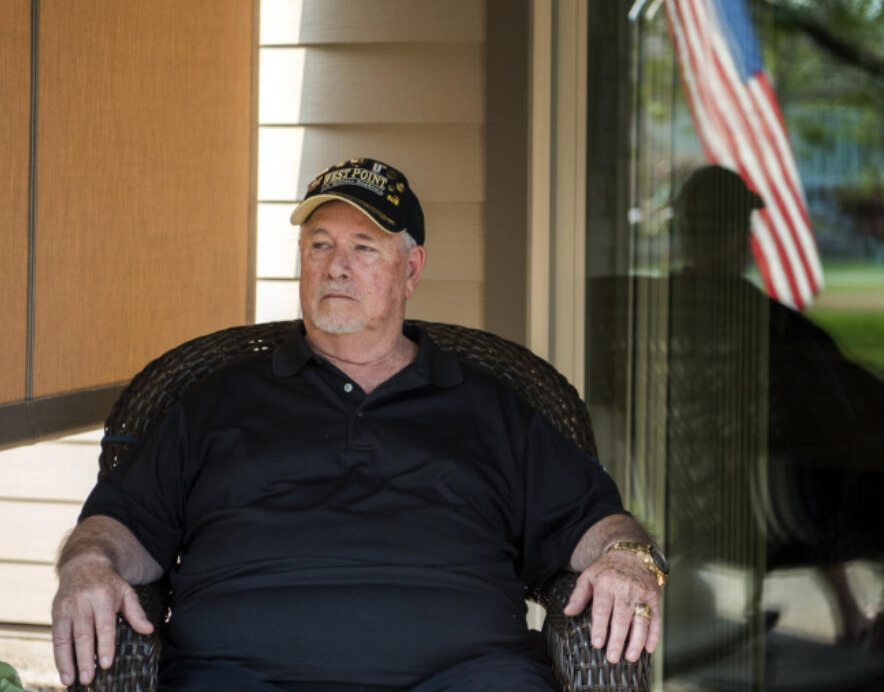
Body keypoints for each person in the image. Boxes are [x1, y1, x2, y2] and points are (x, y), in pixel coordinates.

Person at [51, 157, 667, 692]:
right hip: (237, 676)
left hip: (467, 676)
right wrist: (86, 567)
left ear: (412, 269)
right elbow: (119, 524)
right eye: (320, 245)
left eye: (363, 248)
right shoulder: (214, 399)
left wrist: (629, 558)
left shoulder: (493, 406)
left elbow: (597, 524)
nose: (336, 268)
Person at [665, 164, 884, 652]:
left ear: (684, 234)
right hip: (788, 523)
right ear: (733, 238)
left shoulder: (648, 314)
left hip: (692, 509)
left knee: (802, 454)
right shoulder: (772, 328)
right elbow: (871, 410)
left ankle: (850, 614)